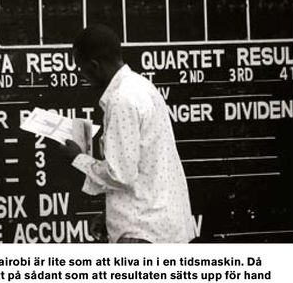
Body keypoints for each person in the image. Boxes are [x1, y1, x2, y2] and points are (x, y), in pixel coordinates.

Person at [48, 24, 194, 242]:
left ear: (94, 65)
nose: (83, 76)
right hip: (164, 226)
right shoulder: (143, 87)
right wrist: (110, 214)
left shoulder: (121, 100)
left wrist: (77, 158)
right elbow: (145, 165)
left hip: (143, 234)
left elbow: (121, 174)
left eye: (82, 69)